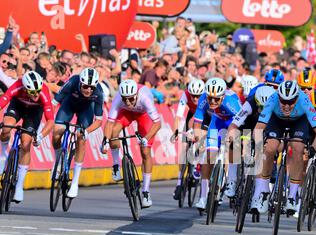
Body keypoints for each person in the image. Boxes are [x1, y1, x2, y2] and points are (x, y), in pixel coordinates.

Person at [250, 80, 316, 215]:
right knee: (269, 148)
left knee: (298, 148)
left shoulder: (304, 101)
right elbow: (259, 128)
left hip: (298, 122)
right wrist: (258, 145)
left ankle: (292, 196)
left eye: (290, 102)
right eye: (283, 101)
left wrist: (313, 148)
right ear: (278, 97)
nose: (286, 105)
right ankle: (263, 190)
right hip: (277, 121)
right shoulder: (272, 99)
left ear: (297, 98)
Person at [0, 71, 54, 202]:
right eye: (32, 92)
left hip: (34, 112)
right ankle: (3, 155)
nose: (36, 95)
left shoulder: (43, 93)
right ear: (24, 88)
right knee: (6, 128)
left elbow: (50, 121)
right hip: (18, 105)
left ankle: (19, 186)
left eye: (38, 91)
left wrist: (41, 136)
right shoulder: (17, 86)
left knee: (26, 143)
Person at [101, 79, 161, 208]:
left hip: (143, 115)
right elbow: (110, 123)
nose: (128, 102)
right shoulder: (119, 99)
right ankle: (116, 165)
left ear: (136, 95)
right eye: (125, 99)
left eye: (131, 99)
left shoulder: (145, 98)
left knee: (145, 151)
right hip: (126, 114)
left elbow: (157, 123)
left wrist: (146, 138)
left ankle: (145, 191)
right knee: (114, 132)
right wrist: (105, 141)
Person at [52, 68, 104, 199]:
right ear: (80, 83)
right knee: (57, 129)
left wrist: (86, 132)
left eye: (92, 87)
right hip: (68, 105)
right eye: (86, 86)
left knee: (81, 137)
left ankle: (74, 182)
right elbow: (54, 103)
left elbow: (98, 121)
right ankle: (58, 159)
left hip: (86, 111)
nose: (89, 90)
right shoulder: (73, 81)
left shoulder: (99, 93)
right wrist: (49, 120)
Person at [193, 77, 242, 210]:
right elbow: (198, 118)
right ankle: (203, 198)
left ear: (223, 96)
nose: (212, 102)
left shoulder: (230, 101)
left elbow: (242, 120)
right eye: (210, 98)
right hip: (217, 122)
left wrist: (233, 135)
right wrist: (196, 134)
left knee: (234, 146)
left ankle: (231, 180)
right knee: (209, 156)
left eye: (216, 99)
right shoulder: (204, 98)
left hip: (234, 121)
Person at [172, 79, 205, 200]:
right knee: (184, 148)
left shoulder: (207, 96)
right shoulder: (185, 95)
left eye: (197, 96)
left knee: (201, 143)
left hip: (204, 116)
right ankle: (179, 182)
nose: (195, 99)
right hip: (191, 115)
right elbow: (178, 116)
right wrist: (175, 131)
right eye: (193, 96)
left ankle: (197, 164)